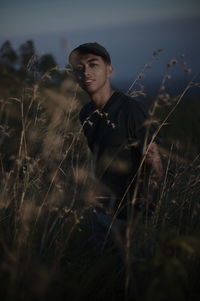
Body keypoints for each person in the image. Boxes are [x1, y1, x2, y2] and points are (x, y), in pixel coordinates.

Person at [68, 42, 163, 248]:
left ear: (109, 70)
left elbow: (155, 167)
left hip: (131, 218)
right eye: (79, 68)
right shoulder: (85, 114)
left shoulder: (131, 110)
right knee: (101, 275)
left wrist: (138, 215)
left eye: (93, 64)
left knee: (134, 277)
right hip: (101, 212)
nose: (86, 72)